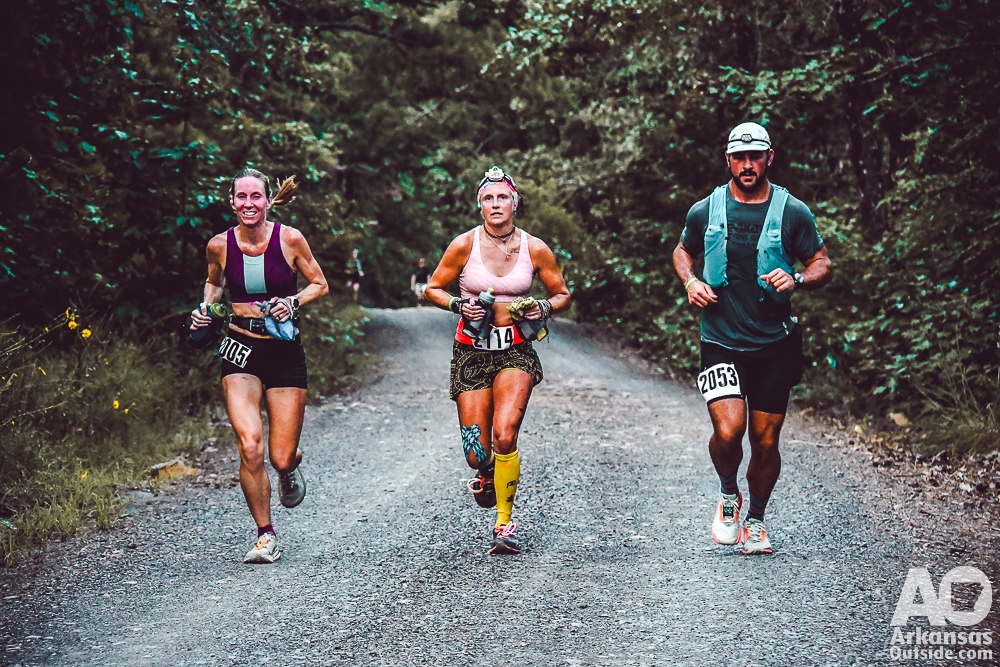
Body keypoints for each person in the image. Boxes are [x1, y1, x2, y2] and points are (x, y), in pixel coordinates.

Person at [672, 123, 832, 555]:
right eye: (739, 157)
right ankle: (729, 493)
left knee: (765, 441)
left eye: (755, 156)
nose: (748, 164)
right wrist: (690, 281)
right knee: (728, 431)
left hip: (775, 344)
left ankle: (756, 520)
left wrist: (797, 278)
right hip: (720, 339)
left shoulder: (792, 211)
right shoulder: (705, 209)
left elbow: (822, 262)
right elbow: (683, 250)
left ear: (769, 158)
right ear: (728, 160)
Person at [424, 166, 571, 555]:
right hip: (471, 351)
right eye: (488, 198)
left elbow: (562, 294)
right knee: (476, 451)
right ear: (480, 206)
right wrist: (459, 305)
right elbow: (432, 288)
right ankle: (486, 471)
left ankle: (504, 524)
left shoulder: (535, 248)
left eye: (502, 197)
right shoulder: (463, 245)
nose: (495, 204)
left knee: (505, 433)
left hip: (516, 350)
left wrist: (542, 307)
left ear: (514, 203)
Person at [190, 168, 329, 564]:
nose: (249, 203)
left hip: (283, 351)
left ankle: (289, 467)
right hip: (239, 347)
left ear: (268, 201)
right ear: (232, 202)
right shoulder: (219, 245)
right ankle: (265, 535)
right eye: (242, 197)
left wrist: (293, 302)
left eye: (256, 196)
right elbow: (214, 284)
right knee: (250, 445)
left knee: (280, 456)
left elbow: (320, 284)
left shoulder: (290, 239)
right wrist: (205, 310)